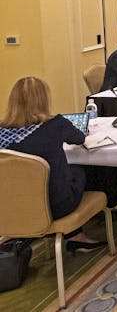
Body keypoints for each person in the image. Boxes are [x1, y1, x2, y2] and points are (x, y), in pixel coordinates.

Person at [0, 77, 106, 253]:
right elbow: (80, 138)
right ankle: (77, 235)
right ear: (44, 99)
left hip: (8, 207)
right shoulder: (55, 124)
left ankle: (74, 236)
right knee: (78, 170)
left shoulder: (2, 129)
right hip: (54, 207)